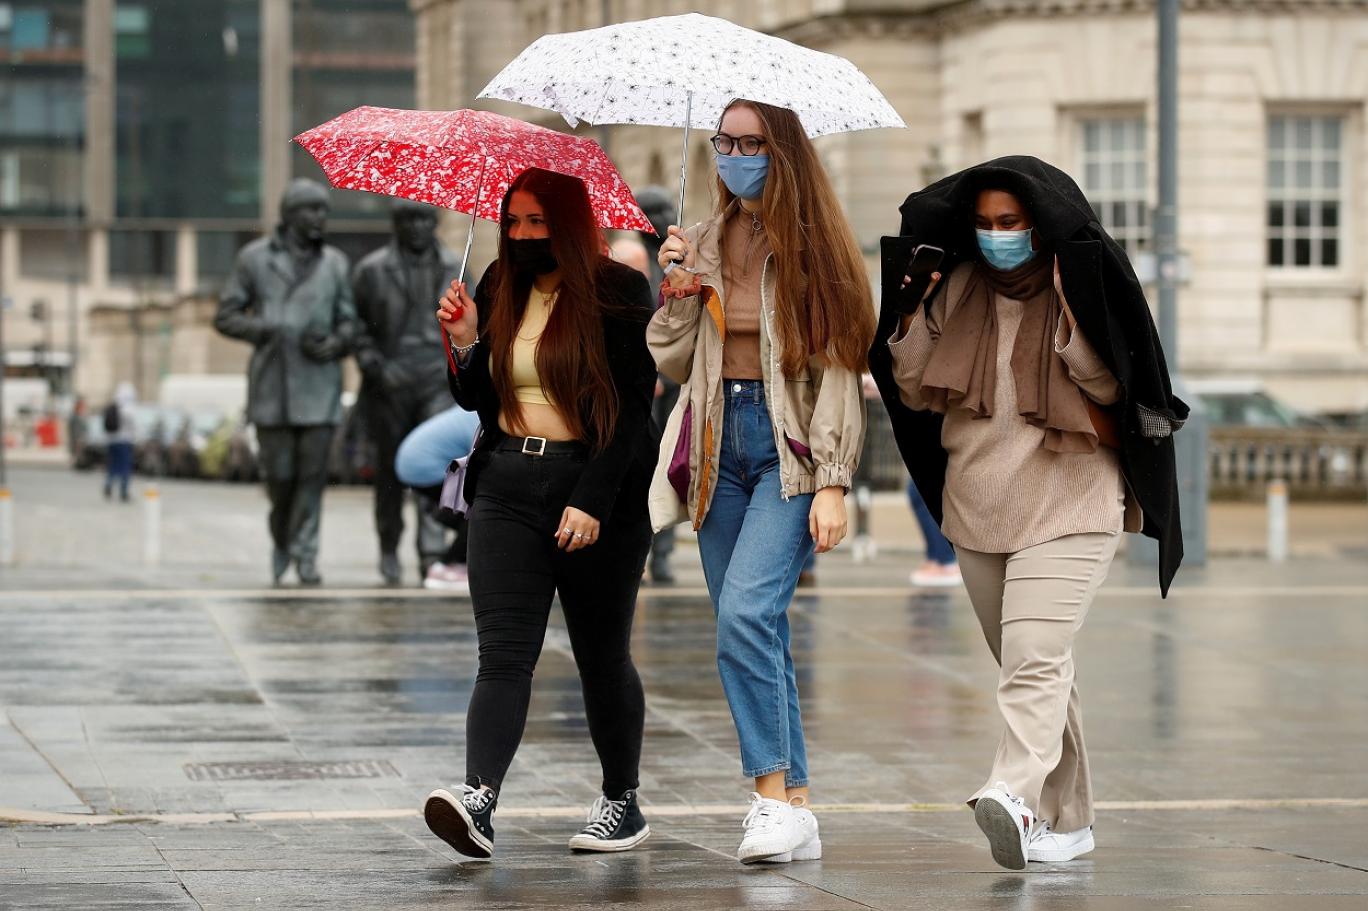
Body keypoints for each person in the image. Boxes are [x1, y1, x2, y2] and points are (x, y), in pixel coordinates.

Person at [870, 156, 1187, 870]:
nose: (997, 236)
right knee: (1035, 669)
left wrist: (1075, 319)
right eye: (984, 223)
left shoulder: (1082, 283)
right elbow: (914, 391)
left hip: (1071, 497)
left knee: (1034, 659)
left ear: (1039, 224)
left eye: (1010, 222)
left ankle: (1012, 793)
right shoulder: (957, 286)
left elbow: (1115, 387)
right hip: (978, 503)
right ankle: (1069, 821)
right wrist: (910, 313)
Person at [649, 99, 874, 864]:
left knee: (744, 615)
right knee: (755, 626)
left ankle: (769, 798)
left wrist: (834, 479)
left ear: (783, 153)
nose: (735, 156)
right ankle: (798, 807)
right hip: (718, 444)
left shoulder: (815, 248)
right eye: (726, 142)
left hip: (790, 448)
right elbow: (670, 360)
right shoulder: (703, 241)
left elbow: (839, 367)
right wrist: (677, 289)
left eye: (752, 144)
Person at [423, 167, 658, 859]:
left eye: (538, 222)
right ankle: (478, 800)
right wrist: (466, 339)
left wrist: (591, 499)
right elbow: (476, 397)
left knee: (601, 656)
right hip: (505, 485)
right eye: (513, 222)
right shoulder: (501, 282)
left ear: (569, 224)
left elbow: (632, 411)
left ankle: (621, 799)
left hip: (596, 489)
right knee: (502, 653)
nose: (523, 235)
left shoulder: (619, 290)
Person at [214, 178, 356, 586]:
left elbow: (350, 322)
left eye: (324, 210)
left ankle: (306, 554)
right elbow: (225, 315)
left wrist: (336, 343)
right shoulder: (255, 259)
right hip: (272, 387)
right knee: (279, 479)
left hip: (319, 386)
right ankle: (282, 540)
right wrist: (265, 328)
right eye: (312, 210)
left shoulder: (335, 263)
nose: (320, 217)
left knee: (312, 478)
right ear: (290, 215)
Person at [352, 200, 463, 587]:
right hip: (390, 384)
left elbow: (474, 323)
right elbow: (355, 326)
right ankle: (389, 545)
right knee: (389, 473)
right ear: (395, 223)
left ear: (436, 221)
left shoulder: (455, 266)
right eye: (408, 219)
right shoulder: (371, 270)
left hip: (437, 381)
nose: (417, 226)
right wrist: (375, 365)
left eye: (424, 219)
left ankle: (430, 550)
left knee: (438, 468)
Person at [634, 186, 683, 584]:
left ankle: (663, 552)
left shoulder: (678, 260)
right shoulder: (633, 263)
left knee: (671, 466)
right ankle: (641, 549)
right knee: (642, 466)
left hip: (674, 381)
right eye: (653, 212)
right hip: (644, 383)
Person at [393, 404, 481, 591]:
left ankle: (452, 557)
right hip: (424, 467)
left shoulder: (472, 410)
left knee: (471, 511)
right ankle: (449, 565)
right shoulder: (479, 418)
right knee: (479, 511)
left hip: (412, 463)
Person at [103, 383, 136, 502]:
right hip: (124, 441)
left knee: (113, 465)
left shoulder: (114, 406)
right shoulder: (129, 409)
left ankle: (108, 484)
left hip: (112, 441)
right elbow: (133, 427)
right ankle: (124, 491)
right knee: (125, 466)